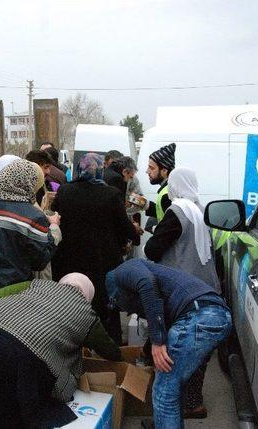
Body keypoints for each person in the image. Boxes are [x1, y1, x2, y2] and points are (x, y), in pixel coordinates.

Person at [0, 274, 121, 428]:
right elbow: (108, 349)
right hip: (21, 350)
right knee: (20, 402)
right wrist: (121, 355)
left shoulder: (37, 285)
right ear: (88, 295)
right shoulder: (85, 312)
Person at [106, 259, 232, 429]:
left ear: (117, 293)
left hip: (199, 314)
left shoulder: (122, 272)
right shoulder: (161, 289)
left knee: (164, 392)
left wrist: (157, 341)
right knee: (174, 387)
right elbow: (164, 319)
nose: (129, 312)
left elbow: (147, 284)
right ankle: (162, 423)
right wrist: (148, 348)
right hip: (216, 314)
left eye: (124, 307)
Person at [144, 167, 220, 419]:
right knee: (198, 348)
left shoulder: (177, 211)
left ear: (174, 185)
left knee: (178, 346)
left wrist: (154, 233)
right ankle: (193, 401)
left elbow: (153, 250)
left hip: (185, 291)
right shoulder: (198, 209)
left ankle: (175, 405)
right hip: (207, 288)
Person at [51, 153, 139, 343]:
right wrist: (134, 235)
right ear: (99, 171)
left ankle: (71, 341)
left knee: (73, 301)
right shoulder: (110, 194)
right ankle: (108, 345)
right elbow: (124, 225)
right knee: (104, 304)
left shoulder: (65, 190)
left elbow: (56, 212)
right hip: (102, 260)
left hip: (71, 258)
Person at [0, 159, 59, 301]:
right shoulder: (33, 216)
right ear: (29, 183)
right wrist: (54, 229)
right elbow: (40, 261)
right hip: (12, 293)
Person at [145, 143, 176, 223]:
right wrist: (145, 204)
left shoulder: (167, 195)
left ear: (164, 170)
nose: (147, 171)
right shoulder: (170, 189)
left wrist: (156, 229)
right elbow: (161, 212)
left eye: (151, 168)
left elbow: (172, 226)